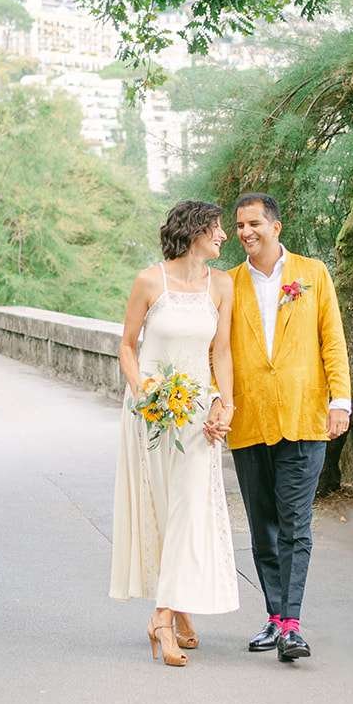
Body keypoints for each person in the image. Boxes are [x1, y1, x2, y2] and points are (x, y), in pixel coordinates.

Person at [209, 192, 351, 662]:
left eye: (254, 224)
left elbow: (332, 339)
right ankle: (274, 617)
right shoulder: (228, 284)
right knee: (262, 526)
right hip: (249, 421)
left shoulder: (312, 274)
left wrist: (340, 401)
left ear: (276, 226)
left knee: (296, 523)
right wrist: (219, 400)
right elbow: (217, 352)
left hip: (304, 416)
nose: (245, 232)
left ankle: (292, 624)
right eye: (240, 225)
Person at [109, 200, 239, 666]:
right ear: (193, 232)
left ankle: (161, 618)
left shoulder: (221, 285)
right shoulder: (149, 281)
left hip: (197, 414)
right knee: (165, 511)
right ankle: (180, 610)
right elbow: (126, 346)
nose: (224, 236)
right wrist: (143, 389)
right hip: (149, 412)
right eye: (217, 228)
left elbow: (220, 353)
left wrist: (226, 401)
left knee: (189, 508)